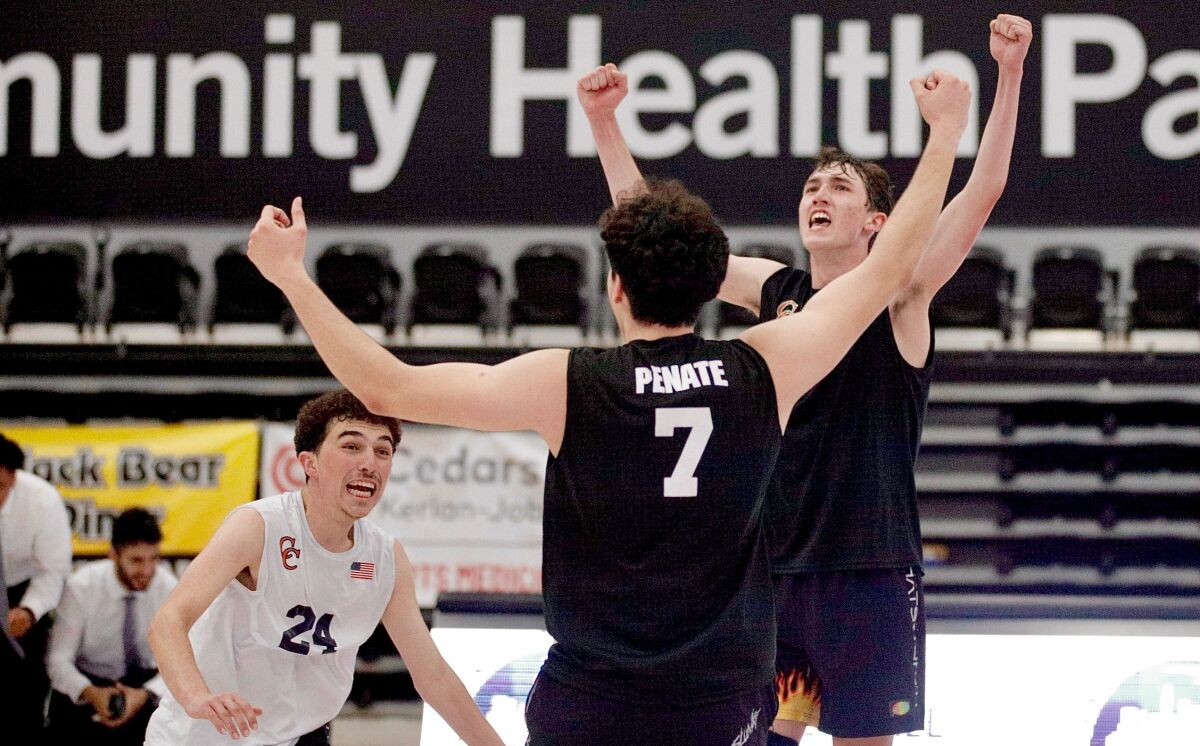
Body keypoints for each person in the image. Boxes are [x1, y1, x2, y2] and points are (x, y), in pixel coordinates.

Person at [243, 65, 970, 745]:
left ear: (616, 287)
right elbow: (889, 270)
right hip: (722, 697)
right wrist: (943, 133)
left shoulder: (564, 381)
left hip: (591, 695)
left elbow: (385, 387)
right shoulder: (762, 367)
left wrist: (291, 278)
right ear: (709, 284)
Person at [579, 13, 1033, 746]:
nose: (819, 194)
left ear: (878, 221)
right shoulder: (777, 288)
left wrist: (1007, 77)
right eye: (813, 184)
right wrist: (605, 125)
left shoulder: (902, 293)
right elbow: (661, 239)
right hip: (767, 564)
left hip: (870, 568)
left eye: (841, 187)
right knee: (759, 738)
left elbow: (983, 189)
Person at [144, 390, 504, 745]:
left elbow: (434, 676)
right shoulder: (258, 527)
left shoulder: (385, 558)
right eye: (352, 446)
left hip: (298, 736)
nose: (370, 462)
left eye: (383, 451)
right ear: (308, 462)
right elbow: (169, 621)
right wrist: (196, 698)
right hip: (201, 735)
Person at [46, 507, 177, 744]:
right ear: (113, 555)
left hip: (145, 687)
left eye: (154, 559)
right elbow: (58, 660)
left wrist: (146, 694)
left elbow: (182, 659)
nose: (147, 571)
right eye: (136, 560)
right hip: (90, 685)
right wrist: (90, 693)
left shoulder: (168, 587)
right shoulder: (81, 588)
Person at [0, 431, 73, 736]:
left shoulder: (42, 500)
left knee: (24, 687)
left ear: (14, 478)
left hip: (22, 591)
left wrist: (29, 611)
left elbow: (52, 571)